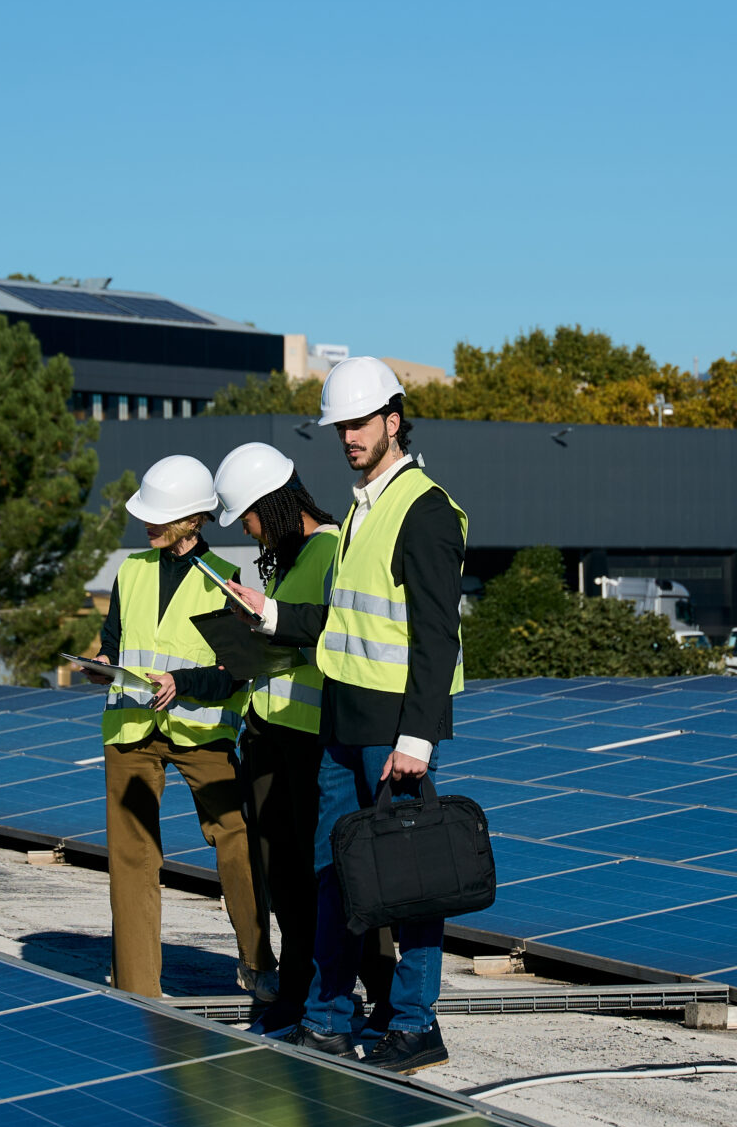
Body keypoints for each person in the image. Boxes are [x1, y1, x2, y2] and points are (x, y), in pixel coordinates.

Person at [227, 357, 466, 1076]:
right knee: (334, 875)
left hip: (394, 732)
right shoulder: (363, 505)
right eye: (341, 428)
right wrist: (270, 614)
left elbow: (434, 634)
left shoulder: (423, 508)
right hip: (342, 723)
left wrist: (417, 739)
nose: (348, 437)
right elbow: (346, 618)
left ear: (394, 420)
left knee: (409, 883)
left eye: (359, 423)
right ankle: (327, 1022)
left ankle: (415, 1026)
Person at [151, 442, 337, 1033]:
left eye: (250, 518)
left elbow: (327, 634)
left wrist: (267, 625)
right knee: (278, 874)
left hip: (308, 739)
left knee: (311, 877)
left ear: (275, 504)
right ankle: (293, 991)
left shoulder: (331, 551)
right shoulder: (291, 556)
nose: (250, 533)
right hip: (267, 731)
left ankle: (318, 997)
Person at [94, 453, 269, 1002]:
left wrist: (183, 683)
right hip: (130, 730)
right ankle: (139, 987)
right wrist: (99, 660)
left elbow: (238, 674)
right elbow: (115, 643)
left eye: (159, 515)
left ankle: (259, 963)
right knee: (132, 857)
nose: (146, 523)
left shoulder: (228, 582)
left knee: (236, 844)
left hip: (202, 735)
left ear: (194, 518)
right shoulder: (131, 570)